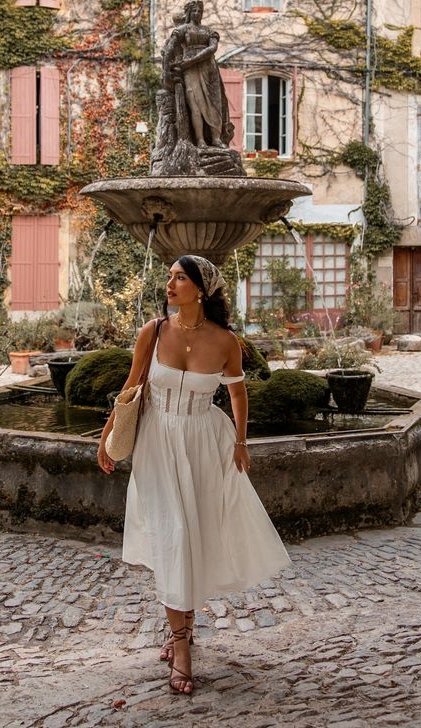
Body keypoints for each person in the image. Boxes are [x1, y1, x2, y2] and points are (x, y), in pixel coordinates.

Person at [97, 254, 290, 695]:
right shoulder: (154, 331)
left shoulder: (226, 342)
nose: (170, 284)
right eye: (169, 277)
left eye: (179, 278)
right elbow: (131, 385)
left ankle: (181, 630)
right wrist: (107, 436)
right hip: (156, 444)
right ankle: (181, 645)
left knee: (192, 536)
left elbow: (238, 393)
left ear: (200, 289)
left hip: (205, 444)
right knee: (172, 535)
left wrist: (241, 442)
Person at [161, 0, 229, 148]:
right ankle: (199, 139)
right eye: (194, 11)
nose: (197, 14)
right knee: (195, 104)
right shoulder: (182, 29)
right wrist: (167, 69)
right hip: (190, 71)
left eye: (199, 11)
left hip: (208, 69)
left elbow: (212, 49)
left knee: (214, 104)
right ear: (189, 13)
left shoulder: (209, 31)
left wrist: (191, 60)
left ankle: (216, 138)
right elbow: (169, 47)